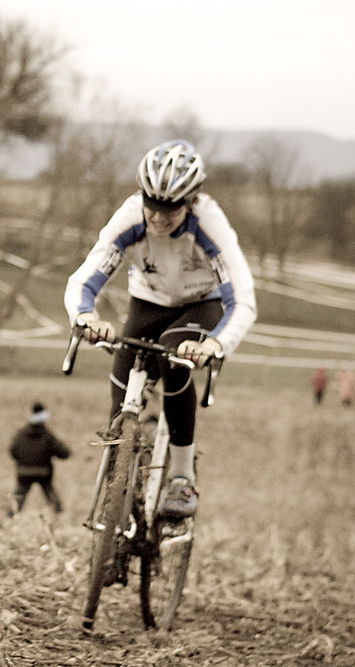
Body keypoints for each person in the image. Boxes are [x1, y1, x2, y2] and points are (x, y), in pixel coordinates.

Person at [64, 140, 257, 519]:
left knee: (175, 356)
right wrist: (85, 317)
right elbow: (84, 280)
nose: (158, 215)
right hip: (147, 303)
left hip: (199, 304)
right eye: (151, 203)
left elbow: (243, 300)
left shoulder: (210, 225)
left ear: (191, 201)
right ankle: (120, 483)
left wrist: (216, 345)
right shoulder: (131, 218)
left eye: (169, 207)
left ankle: (182, 478)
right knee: (122, 374)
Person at [8, 402, 71, 515]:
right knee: (50, 494)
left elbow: (12, 450)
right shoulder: (47, 435)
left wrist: (23, 461)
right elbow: (64, 453)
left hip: (24, 471)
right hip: (43, 473)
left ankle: (10, 515)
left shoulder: (21, 434)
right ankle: (58, 514)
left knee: (18, 497)